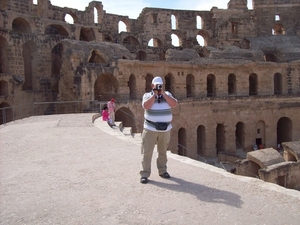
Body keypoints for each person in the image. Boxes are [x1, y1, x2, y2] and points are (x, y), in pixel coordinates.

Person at [140, 76, 178, 184]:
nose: (158, 87)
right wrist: (155, 95)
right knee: (147, 152)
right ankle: (144, 174)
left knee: (163, 152)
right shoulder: (147, 95)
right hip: (150, 128)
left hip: (165, 129)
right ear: (152, 86)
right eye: (156, 85)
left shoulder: (168, 95)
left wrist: (164, 94)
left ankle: (163, 171)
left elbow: (174, 104)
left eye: (160, 86)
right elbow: (146, 106)